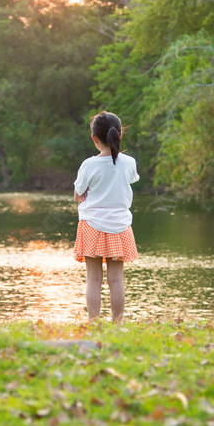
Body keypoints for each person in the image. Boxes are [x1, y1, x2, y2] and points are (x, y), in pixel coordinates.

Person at [73, 111, 139, 323]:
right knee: (116, 279)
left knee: (93, 278)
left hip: (92, 225)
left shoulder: (89, 165)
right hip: (120, 226)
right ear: (119, 135)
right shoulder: (129, 163)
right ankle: (117, 324)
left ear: (94, 138)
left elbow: (77, 196)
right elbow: (127, 182)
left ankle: (94, 323)